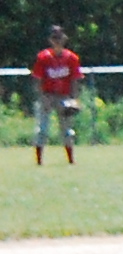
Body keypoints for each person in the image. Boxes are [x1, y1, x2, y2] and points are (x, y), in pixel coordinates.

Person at [31, 25, 81, 165]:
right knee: (42, 130)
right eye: (54, 38)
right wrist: (42, 97)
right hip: (47, 96)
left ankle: (71, 160)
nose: (57, 41)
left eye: (59, 37)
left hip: (64, 97)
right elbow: (37, 79)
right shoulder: (43, 57)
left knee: (67, 130)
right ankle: (39, 161)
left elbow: (75, 80)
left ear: (64, 39)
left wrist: (74, 99)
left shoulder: (72, 58)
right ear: (50, 40)